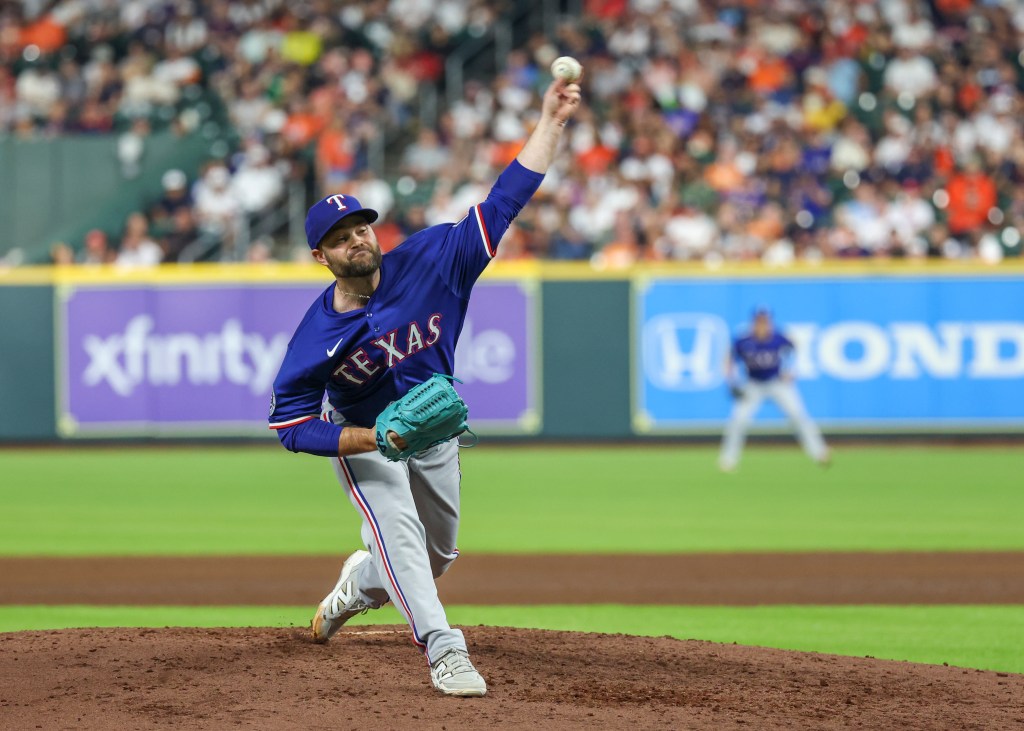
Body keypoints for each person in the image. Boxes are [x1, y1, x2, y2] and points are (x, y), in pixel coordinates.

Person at [268, 76, 583, 697]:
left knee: (437, 558)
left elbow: (505, 200)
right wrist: (367, 436)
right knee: (404, 541)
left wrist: (551, 123)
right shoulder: (314, 338)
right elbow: (288, 425)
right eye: (339, 238)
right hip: (372, 446)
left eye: (360, 227)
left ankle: (357, 586)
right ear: (321, 257)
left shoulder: (435, 259)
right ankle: (446, 652)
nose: (356, 239)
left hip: (434, 434)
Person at [719, 307, 830, 472]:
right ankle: (728, 460)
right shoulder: (744, 340)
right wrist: (731, 380)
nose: (763, 324)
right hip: (753, 384)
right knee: (738, 421)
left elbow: (798, 348)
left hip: (777, 383)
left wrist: (792, 370)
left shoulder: (778, 338)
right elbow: (729, 358)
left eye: (765, 320)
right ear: (754, 322)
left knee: (798, 416)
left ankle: (819, 452)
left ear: (770, 321)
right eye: (759, 320)